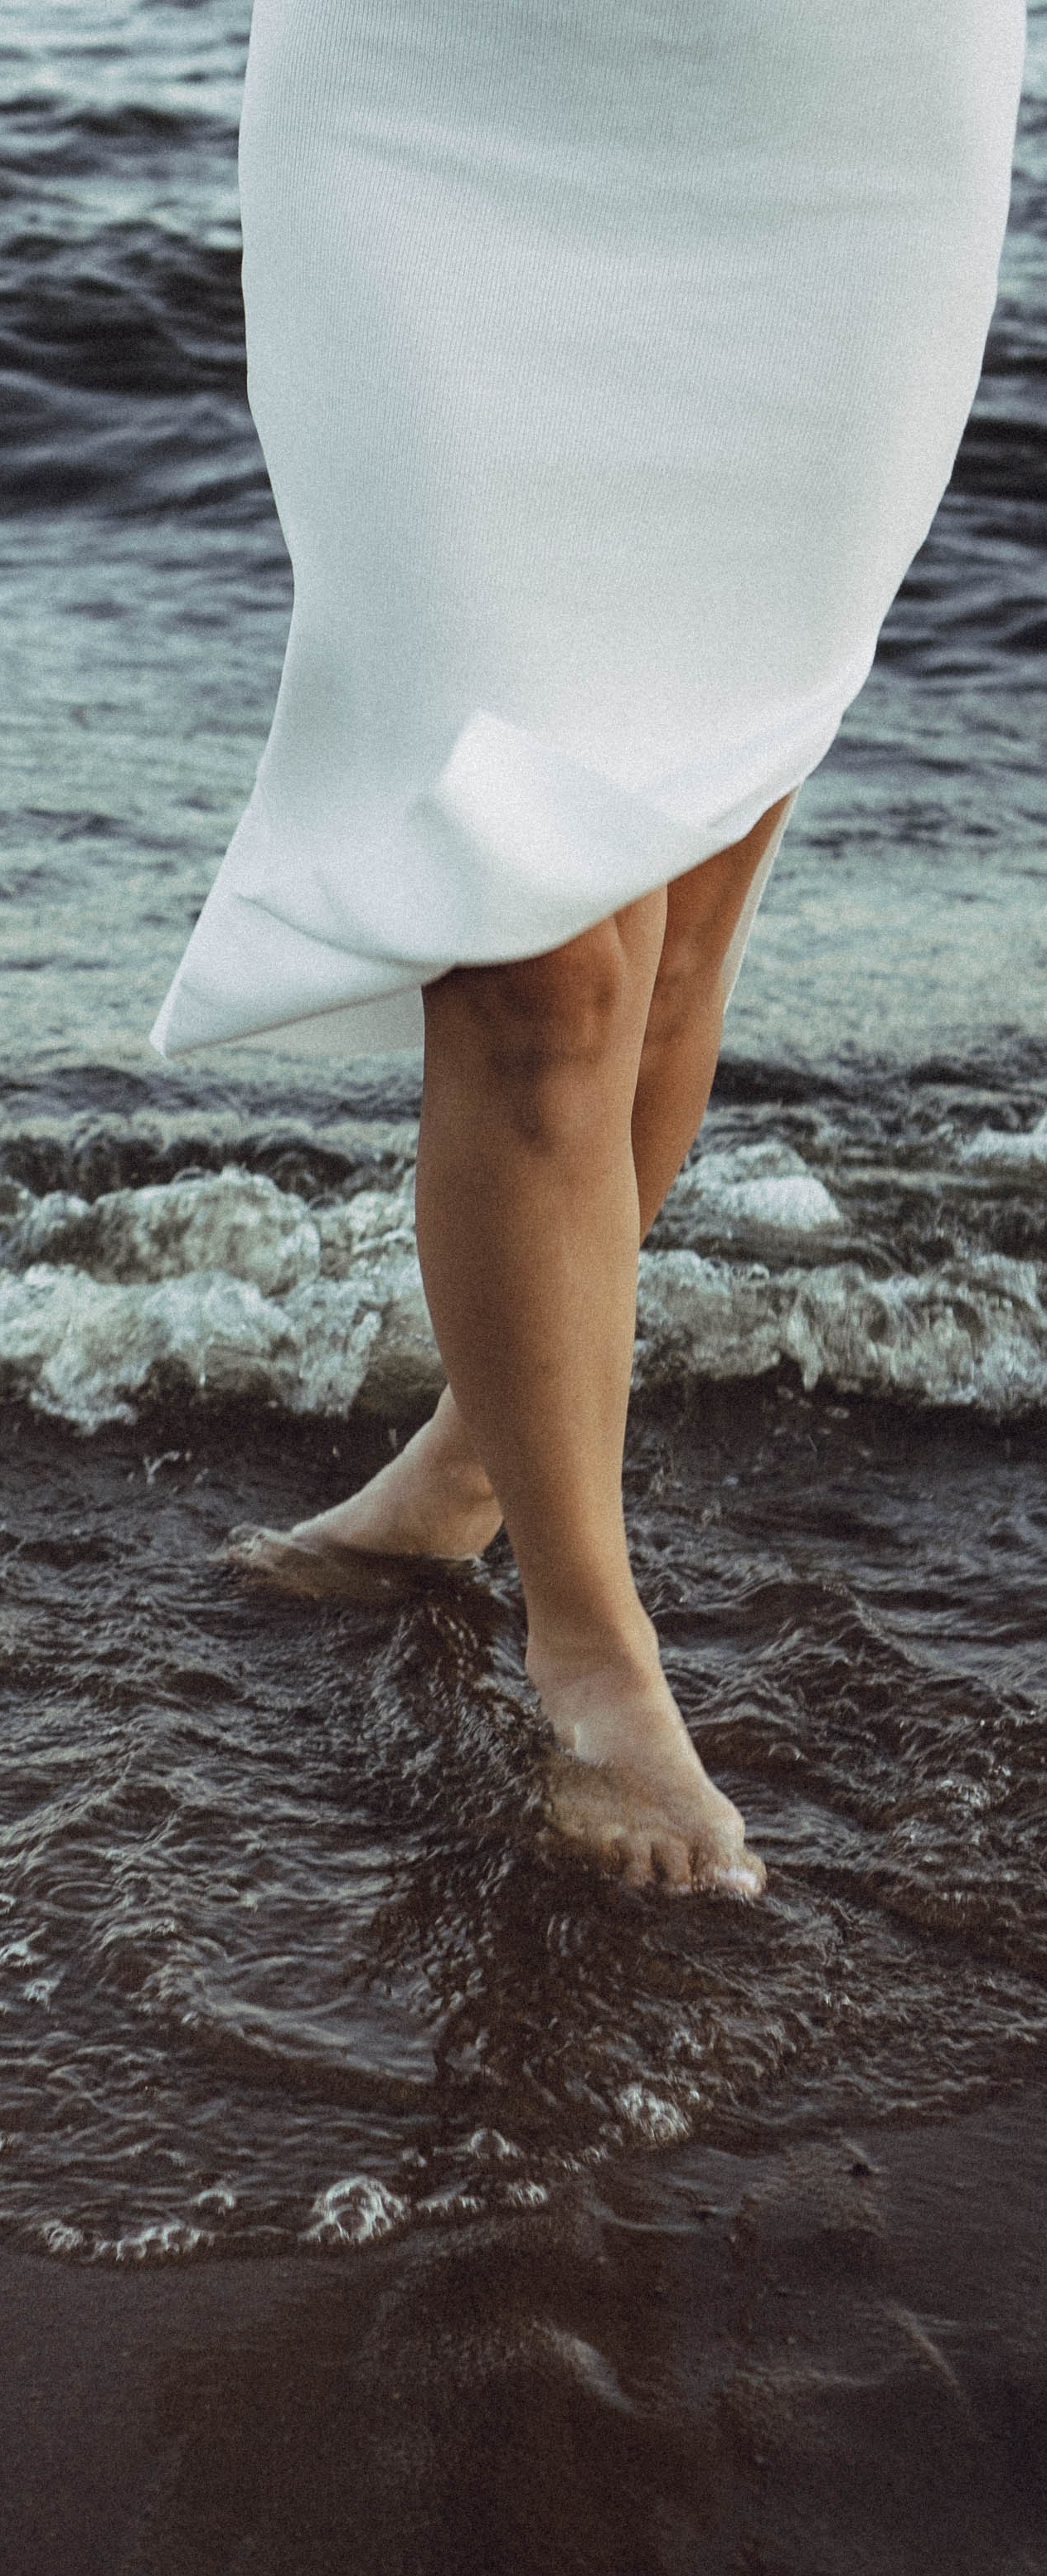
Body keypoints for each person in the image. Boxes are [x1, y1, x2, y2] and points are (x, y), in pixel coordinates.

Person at [150, 0, 1026, 1898]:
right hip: (444, 98)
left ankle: (468, 1472)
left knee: (685, 895)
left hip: (830, 119)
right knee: (539, 963)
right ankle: (593, 1658)